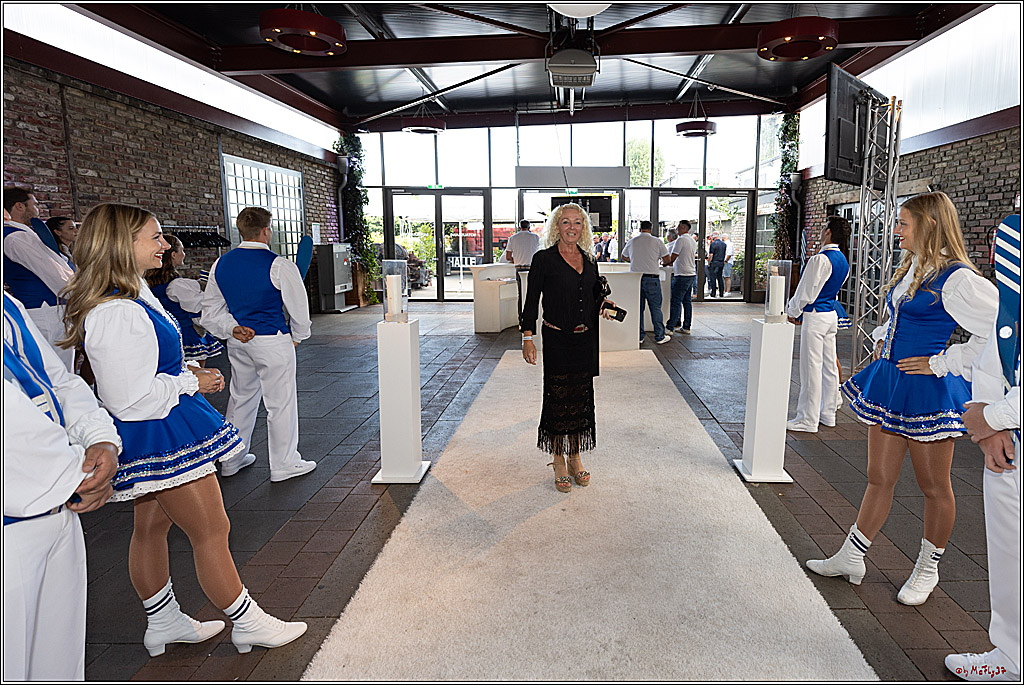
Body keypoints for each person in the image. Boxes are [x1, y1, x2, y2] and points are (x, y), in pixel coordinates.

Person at [60, 202, 307, 657]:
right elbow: (128, 400)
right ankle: (246, 621)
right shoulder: (117, 309)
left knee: (151, 527)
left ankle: (163, 619)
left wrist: (183, 370)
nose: (165, 245)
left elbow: (140, 371)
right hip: (158, 428)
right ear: (121, 244)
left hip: (160, 423)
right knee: (212, 529)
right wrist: (192, 380)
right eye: (154, 237)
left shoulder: (130, 294)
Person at [805, 192, 998, 607]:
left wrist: (944, 362)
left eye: (903, 223)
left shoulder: (959, 278)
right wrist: (882, 339)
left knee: (933, 486)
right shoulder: (915, 266)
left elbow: (1001, 330)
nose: (895, 230)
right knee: (879, 477)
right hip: (892, 382)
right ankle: (852, 557)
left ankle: (928, 569)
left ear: (928, 226)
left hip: (927, 390)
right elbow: (897, 318)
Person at [4, 292, 120, 681]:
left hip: (58, 503)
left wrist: (99, 437)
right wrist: (78, 474)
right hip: (17, 517)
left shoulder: (8, 303)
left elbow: (55, 379)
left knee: (59, 663)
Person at [945, 214, 1020, 682]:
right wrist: (989, 422)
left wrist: (989, 418)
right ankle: (1011, 655)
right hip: (1006, 442)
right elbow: (997, 344)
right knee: (1009, 548)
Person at [202, 207, 315, 482]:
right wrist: (298, 336)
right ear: (267, 230)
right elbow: (299, 308)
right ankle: (284, 464)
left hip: (238, 342)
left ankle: (232, 458)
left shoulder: (221, 264)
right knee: (280, 403)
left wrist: (231, 328)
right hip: (272, 341)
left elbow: (210, 312)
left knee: (241, 397)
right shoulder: (279, 265)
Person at [520, 202, 617, 492]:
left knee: (581, 398)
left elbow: (590, 296)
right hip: (557, 339)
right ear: (556, 227)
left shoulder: (590, 260)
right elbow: (531, 301)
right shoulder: (543, 260)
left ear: (583, 227)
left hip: (584, 339)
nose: (571, 227)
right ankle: (558, 459)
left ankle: (575, 456)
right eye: (565, 222)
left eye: (577, 222)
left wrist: (603, 304)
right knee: (558, 398)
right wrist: (527, 337)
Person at [786, 216, 853, 432]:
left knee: (811, 368)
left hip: (815, 316)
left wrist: (791, 311)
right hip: (830, 315)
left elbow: (806, 292)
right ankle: (828, 412)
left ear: (829, 232)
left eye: (824, 228)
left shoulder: (820, 259)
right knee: (829, 367)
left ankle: (807, 418)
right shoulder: (843, 260)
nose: (821, 231)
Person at [3, 186, 75, 369]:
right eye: (34, 204)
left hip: (47, 310)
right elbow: (55, 274)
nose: (38, 209)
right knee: (58, 370)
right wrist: (83, 296)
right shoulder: (17, 237)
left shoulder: (24, 235)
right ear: (19, 206)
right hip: (45, 312)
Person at [144, 233, 224, 367]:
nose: (184, 254)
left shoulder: (149, 283)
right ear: (173, 254)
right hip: (186, 335)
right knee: (195, 376)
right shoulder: (176, 285)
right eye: (182, 250)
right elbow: (199, 306)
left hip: (163, 333)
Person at [620, 220, 671, 344]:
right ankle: (659, 336)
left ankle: (639, 336)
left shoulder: (632, 241)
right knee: (656, 308)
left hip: (636, 279)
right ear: (651, 229)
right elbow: (667, 259)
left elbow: (623, 256)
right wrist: (657, 261)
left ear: (640, 229)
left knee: (639, 309)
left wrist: (634, 260)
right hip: (652, 278)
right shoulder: (657, 241)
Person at [664, 220, 697, 335]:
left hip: (681, 275)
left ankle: (670, 327)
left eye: (678, 227)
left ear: (683, 227)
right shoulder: (692, 240)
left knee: (676, 301)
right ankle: (686, 326)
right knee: (687, 302)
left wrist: (663, 264)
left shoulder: (681, 240)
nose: (677, 229)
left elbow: (672, 258)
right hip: (691, 273)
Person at [706, 232, 727, 297]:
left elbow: (711, 255)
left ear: (714, 236)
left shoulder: (713, 244)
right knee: (720, 277)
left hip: (714, 263)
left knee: (713, 278)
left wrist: (709, 263)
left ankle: (713, 293)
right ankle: (721, 293)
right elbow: (725, 253)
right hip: (721, 262)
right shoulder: (724, 244)